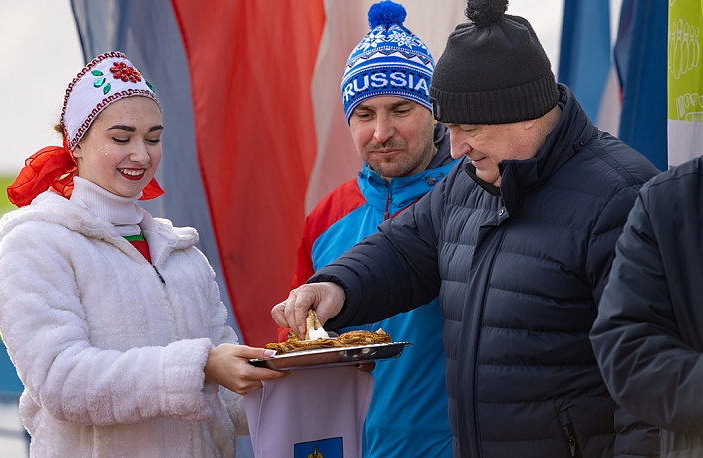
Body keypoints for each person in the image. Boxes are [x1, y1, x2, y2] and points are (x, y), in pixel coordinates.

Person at [273, 0, 662, 456]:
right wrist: (337, 287)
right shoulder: (472, 177)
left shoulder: (623, 196)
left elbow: (652, 378)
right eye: (449, 127)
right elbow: (404, 248)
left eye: (468, 128)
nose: (455, 148)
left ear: (524, 112)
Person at [0, 51, 286, 457]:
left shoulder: (181, 253)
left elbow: (225, 401)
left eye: (153, 138)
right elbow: (62, 381)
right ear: (76, 143)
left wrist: (296, 376)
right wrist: (199, 366)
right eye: (121, 138)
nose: (142, 156)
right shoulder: (36, 243)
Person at [279, 1, 456, 456]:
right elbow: (295, 342)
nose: (381, 132)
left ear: (434, 111)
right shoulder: (326, 216)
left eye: (400, 109)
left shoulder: (472, 198)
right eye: (364, 114)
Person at [590, 156, 703, 457]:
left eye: (474, 133)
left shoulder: (620, 187)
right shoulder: (668, 200)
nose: (469, 148)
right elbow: (626, 346)